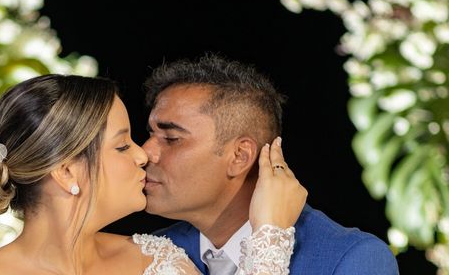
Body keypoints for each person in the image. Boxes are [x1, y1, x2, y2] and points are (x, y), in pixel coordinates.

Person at [0, 74, 305, 275]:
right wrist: (272, 241)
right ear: (68, 169)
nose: (143, 157)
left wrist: (266, 237)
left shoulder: (157, 260)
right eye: (121, 144)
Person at [142, 54, 399, 275]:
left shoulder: (351, 259)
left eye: (171, 139)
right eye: (150, 135)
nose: (145, 152)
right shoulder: (150, 252)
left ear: (240, 156)